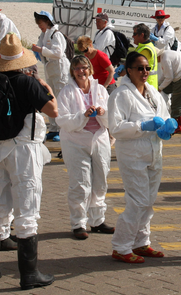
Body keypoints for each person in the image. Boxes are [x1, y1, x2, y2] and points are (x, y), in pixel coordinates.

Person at [0, 34, 58, 290]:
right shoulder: (28, 83)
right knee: (27, 211)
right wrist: (46, 89)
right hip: (23, 153)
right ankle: (29, 274)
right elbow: (54, 111)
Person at [108, 52, 176, 264]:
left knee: (148, 201)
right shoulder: (121, 95)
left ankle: (141, 242)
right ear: (128, 70)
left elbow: (164, 115)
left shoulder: (153, 92)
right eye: (140, 68)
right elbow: (116, 128)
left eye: (147, 68)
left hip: (155, 153)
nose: (144, 72)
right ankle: (121, 246)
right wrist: (141, 126)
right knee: (137, 202)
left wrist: (167, 126)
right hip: (133, 155)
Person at [56, 55, 114, 240]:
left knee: (100, 181)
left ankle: (97, 220)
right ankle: (78, 223)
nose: (81, 72)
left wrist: (103, 113)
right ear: (72, 72)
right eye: (77, 69)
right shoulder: (66, 92)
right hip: (75, 141)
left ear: (90, 69)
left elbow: (112, 115)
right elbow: (62, 120)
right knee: (81, 183)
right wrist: (82, 116)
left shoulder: (101, 90)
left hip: (99, 138)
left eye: (84, 68)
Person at [31, 10, 70, 142]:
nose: (39, 26)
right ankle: (53, 128)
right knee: (50, 96)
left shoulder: (56, 34)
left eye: (40, 23)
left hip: (59, 69)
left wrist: (40, 50)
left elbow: (58, 53)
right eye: (37, 24)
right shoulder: (44, 34)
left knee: (60, 98)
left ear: (47, 21)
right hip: (50, 68)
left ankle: (61, 129)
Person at [157, 48, 181, 134]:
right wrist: (158, 84)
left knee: (178, 102)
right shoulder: (164, 56)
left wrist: (159, 88)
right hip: (179, 77)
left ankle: (177, 126)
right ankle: (171, 120)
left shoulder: (165, 59)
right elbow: (165, 75)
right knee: (170, 94)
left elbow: (169, 77)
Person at [132, 23, 158, 91]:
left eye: (135, 34)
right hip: (144, 84)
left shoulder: (146, 50)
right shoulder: (143, 47)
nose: (133, 36)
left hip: (146, 86)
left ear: (142, 35)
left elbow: (136, 67)